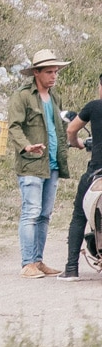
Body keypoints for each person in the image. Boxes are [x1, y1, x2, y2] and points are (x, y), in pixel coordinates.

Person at [8, 49, 72, 277]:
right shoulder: (23, 96)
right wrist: (26, 146)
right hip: (32, 164)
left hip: (52, 164)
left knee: (44, 215)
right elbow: (14, 126)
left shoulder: (55, 97)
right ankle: (27, 263)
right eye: (49, 72)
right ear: (36, 73)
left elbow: (59, 128)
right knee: (31, 212)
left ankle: (38, 260)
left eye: (55, 72)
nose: (54, 76)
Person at [63, 73, 102, 278]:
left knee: (79, 216)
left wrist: (76, 143)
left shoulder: (94, 106)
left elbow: (71, 129)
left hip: (97, 172)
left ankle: (71, 269)